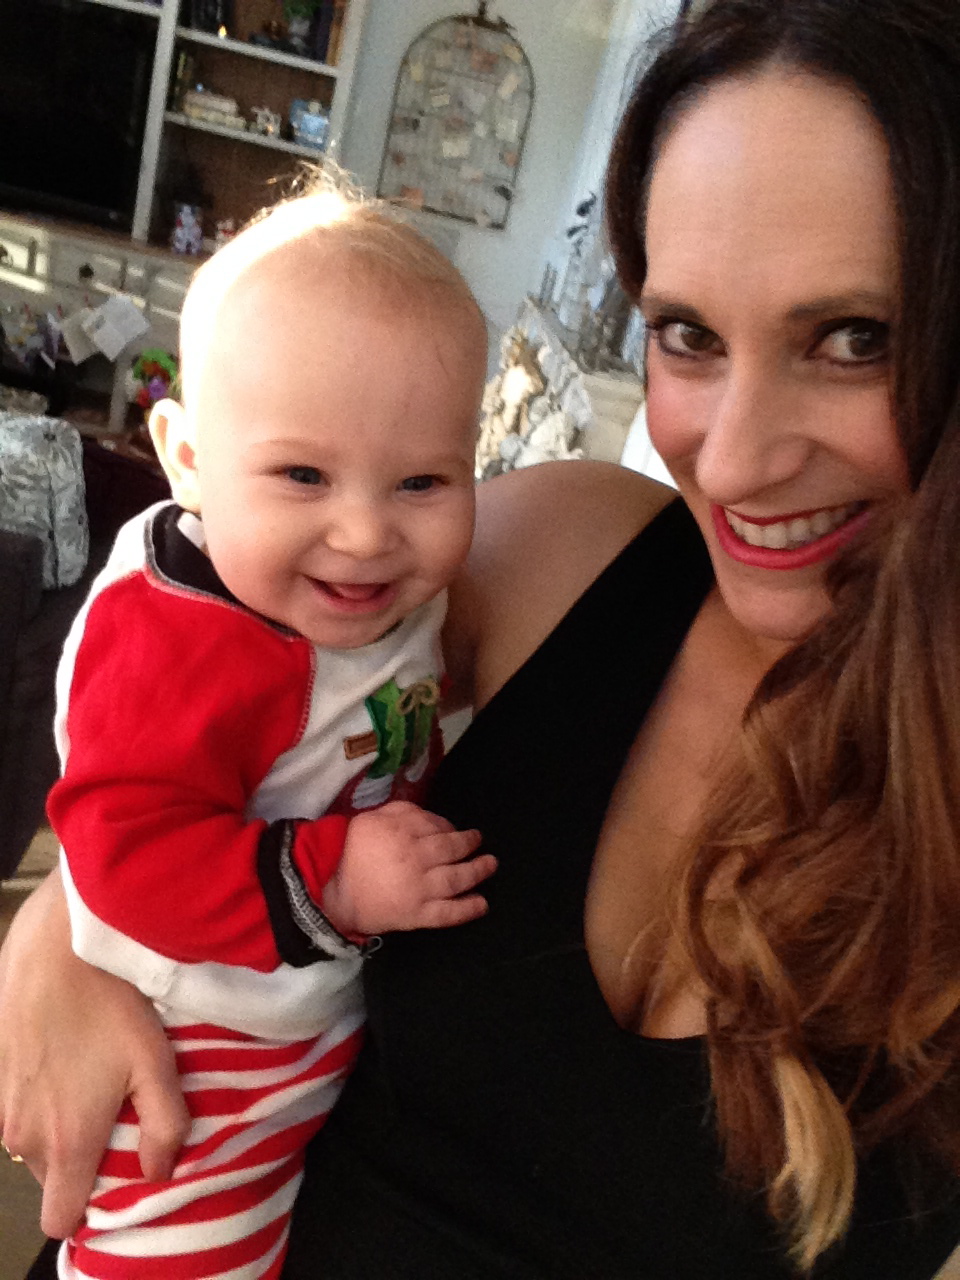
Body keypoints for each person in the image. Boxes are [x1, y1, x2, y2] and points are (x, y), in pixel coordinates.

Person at [3, 0, 960, 1275]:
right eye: (688, 334)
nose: (730, 460)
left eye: (854, 339)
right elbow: (198, 712)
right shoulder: (570, 549)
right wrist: (57, 930)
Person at [32, 189, 496, 1278]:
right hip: (192, 1038)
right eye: (303, 475)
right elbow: (120, 850)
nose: (367, 531)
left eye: (423, 480)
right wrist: (335, 878)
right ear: (186, 460)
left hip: (310, 1021)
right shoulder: (176, 637)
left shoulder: (387, 596)